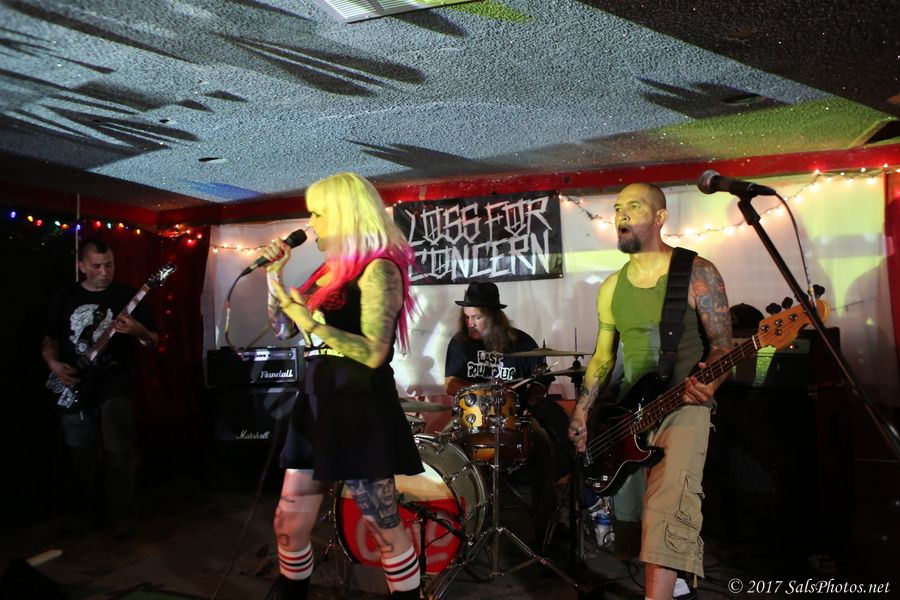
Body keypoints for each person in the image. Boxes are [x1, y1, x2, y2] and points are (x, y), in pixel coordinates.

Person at [261, 172, 424, 600]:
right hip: (317, 401)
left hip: (357, 404)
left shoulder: (379, 269)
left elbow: (374, 352)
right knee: (288, 521)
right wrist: (274, 277)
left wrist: (311, 323)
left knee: (383, 526)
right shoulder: (324, 273)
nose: (310, 222)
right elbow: (283, 330)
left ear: (345, 215)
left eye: (318, 213)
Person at [568, 183, 732, 600]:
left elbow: (723, 346)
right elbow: (603, 358)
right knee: (637, 517)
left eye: (634, 207)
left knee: (666, 510)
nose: (621, 215)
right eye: (618, 208)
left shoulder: (697, 272)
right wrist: (582, 412)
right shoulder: (611, 288)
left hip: (685, 405)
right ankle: (675, 584)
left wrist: (710, 381)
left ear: (660, 217)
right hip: (632, 412)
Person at [42, 238, 158, 532]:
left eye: (110, 265)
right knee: (81, 453)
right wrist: (53, 363)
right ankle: (88, 513)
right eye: (96, 266)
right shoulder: (65, 296)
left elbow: (152, 341)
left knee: (119, 450)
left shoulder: (128, 296)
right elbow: (49, 338)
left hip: (114, 383)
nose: (104, 272)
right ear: (82, 266)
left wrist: (138, 330)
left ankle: (123, 515)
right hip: (74, 383)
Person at [444, 281, 560, 547]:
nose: (470, 323)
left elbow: (541, 383)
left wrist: (530, 401)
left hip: (513, 420)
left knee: (543, 445)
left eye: (476, 317)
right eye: (467, 317)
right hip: (469, 421)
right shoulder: (460, 343)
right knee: (443, 450)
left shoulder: (522, 343)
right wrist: (485, 390)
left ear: (494, 317)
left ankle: (545, 529)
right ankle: (456, 530)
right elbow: (450, 384)